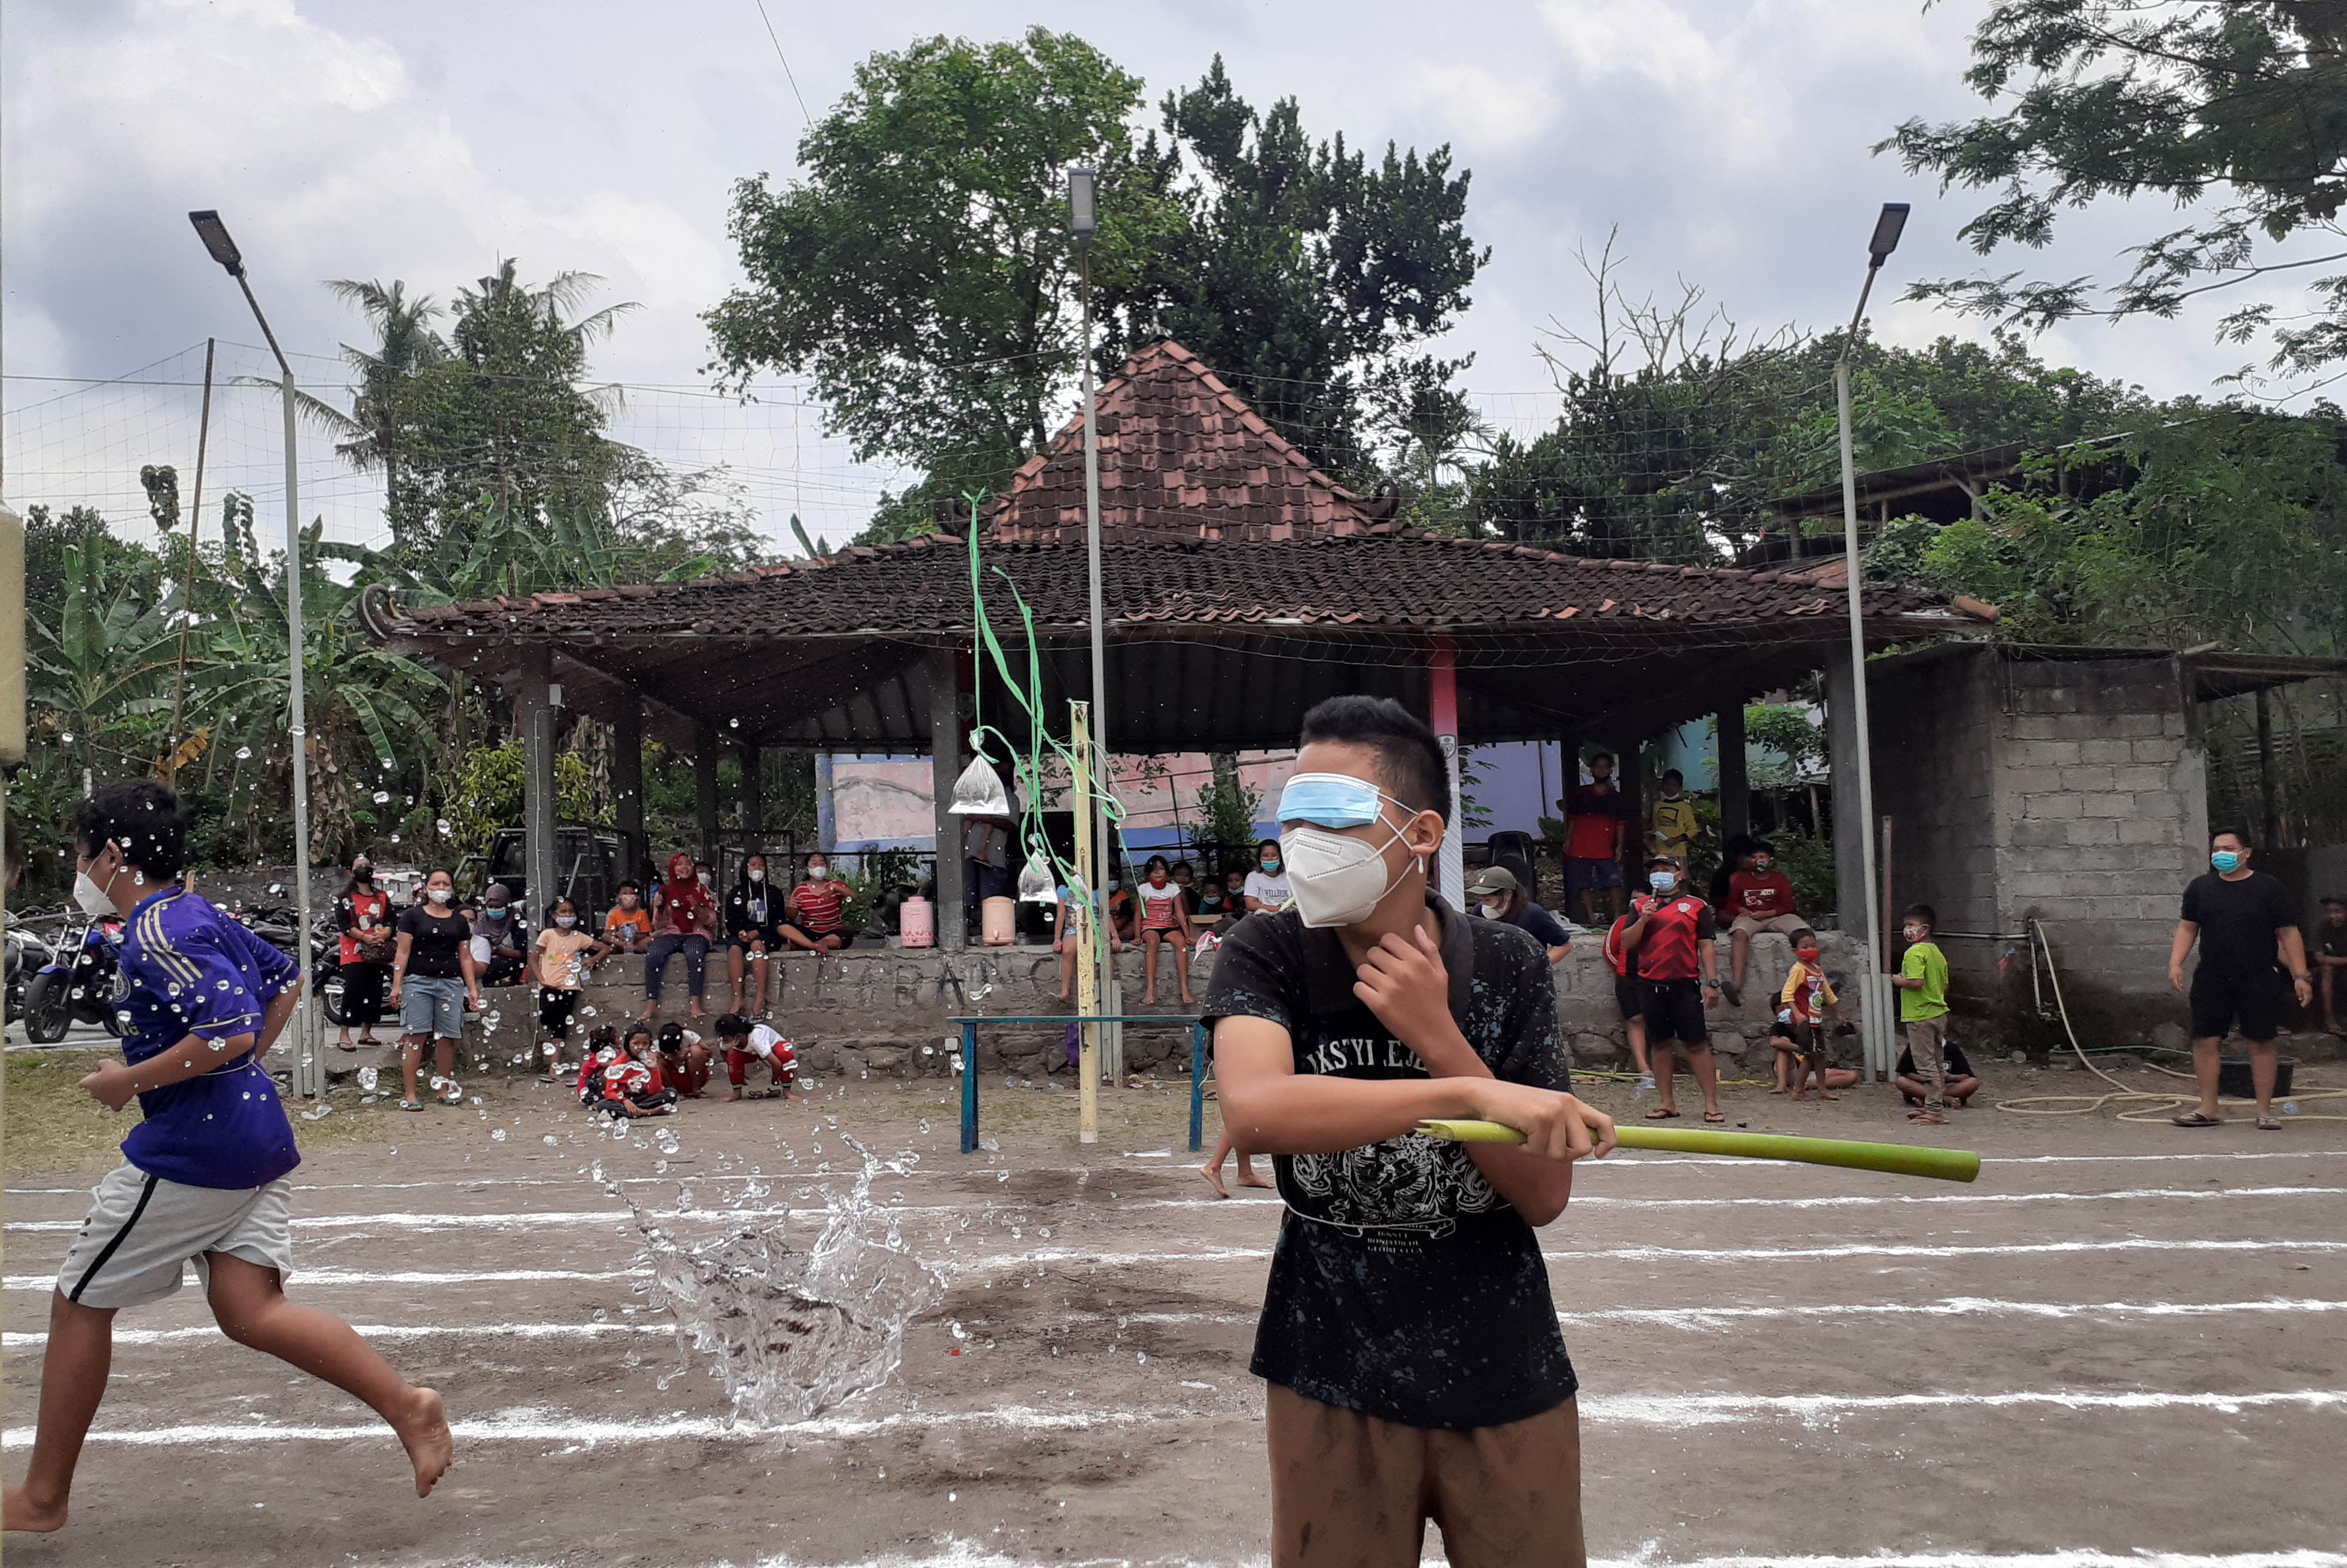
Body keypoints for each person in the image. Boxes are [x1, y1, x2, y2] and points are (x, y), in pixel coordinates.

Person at [1203, 695, 1614, 1567]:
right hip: (1328, 1361)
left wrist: (1439, 1038)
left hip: (1503, 1361)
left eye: (1334, 817)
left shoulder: (1505, 962)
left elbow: (1544, 1195)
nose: (1303, 841)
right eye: (1293, 818)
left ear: (1421, 832)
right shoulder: (1268, 950)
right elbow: (1257, 1110)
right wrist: (1472, 1093)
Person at [3, 782, 451, 1533]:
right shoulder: (195, 911)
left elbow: (229, 1033)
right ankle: (408, 1406)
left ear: (112, 856)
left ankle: (43, 1496)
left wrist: (128, 1082)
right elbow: (284, 983)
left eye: (82, 857)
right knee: (250, 1310)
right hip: (253, 1139)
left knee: (78, 1301)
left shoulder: (155, 932)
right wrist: (237, 1073)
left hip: (193, 1149)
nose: (80, 872)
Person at [2169, 829, 2314, 1131]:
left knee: (2261, 1041)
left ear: (2246, 853)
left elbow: (2289, 933)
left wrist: (2300, 975)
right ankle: (2208, 1108)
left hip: (2258, 975)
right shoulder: (2200, 888)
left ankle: (2264, 1111)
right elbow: (2188, 927)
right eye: (2217, 849)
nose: (2221, 854)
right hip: (2212, 976)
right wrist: (2176, 962)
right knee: (2206, 1040)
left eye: (2229, 848)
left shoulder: (2268, 887)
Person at [1621, 853, 1725, 1122]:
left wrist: (1712, 983)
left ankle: (1711, 1104)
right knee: (1659, 1043)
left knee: (1696, 1044)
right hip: (1650, 983)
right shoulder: (1640, 905)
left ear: (1679, 874)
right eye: (1655, 869)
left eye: (1666, 868)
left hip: (1684, 983)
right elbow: (1627, 942)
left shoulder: (1696, 906)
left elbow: (1706, 945)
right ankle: (1666, 1102)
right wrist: (1643, 919)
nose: (1660, 873)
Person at [390, 870, 481, 1111]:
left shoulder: (459, 921)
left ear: (452, 888)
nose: (441, 888)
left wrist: (472, 988)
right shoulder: (412, 916)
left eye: (446, 884)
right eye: (436, 883)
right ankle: (410, 1094)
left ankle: (444, 1089)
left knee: (448, 1037)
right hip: (417, 982)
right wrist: (397, 984)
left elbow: (465, 957)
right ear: (426, 887)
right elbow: (402, 952)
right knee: (416, 1036)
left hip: (451, 983)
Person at [1888, 904, 1952, 1123]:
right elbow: (1945, 986)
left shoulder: (1914, 952)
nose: (1907, 930)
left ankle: (1934, 1110)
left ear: (1925, 928)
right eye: (1906, 925)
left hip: (1919, 1015)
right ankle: (1933, 1105)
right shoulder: (1937, 953)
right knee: (1937, 1062)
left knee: (1925, 1064)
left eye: (1911, 925)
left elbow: (1916, 982)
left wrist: (1898, 981)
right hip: (1938, 1012)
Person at [1721, 839, 1802, 1006]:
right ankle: (1736, 986)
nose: (1758, 861)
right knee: (1739, 933)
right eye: (1754, 857)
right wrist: (1741, 910)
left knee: (1803, 933)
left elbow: (1788, 905)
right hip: (1751, 916)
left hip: (1777, 915)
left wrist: (1767, 913)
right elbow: (1731, 903)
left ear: (1770, 859)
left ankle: (1818, 982)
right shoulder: (1741, 879)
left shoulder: (1779, 879)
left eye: (1762, 857)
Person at [1770, 928, 1846, 1101]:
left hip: (1816, 1020)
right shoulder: (1798, 970)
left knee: (1819, 1056)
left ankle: (1822, 1089)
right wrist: (1797, 1014)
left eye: (1813, 945)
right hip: (1805, 1022)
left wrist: (1838, 1014)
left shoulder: (1817, 971)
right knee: (1810, 1056)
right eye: (1804, 947)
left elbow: (1828, 995)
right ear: (1795, 951)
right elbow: (1787, 994)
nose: (1810, 950)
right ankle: (1798, 1090)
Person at [534, 897, 607, 1072]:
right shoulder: (547, 935)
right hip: (548, 986)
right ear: (554, 915)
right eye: (563, 912)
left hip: (569, 988)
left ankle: (554, 1068)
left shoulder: (579, 937)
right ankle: (550, 1062)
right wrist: (541, 979)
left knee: (560, 1027)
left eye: (571, 912)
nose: (568, 915)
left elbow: (605, 948)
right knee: (547, 1018)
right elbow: (533, 959)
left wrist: (592, 960)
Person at [333, 855, 395, 1051]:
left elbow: (391, 920)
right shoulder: (345, 898)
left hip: (377, 951)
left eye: (366, 866)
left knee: (374, 991)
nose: (363, 869)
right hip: (353, 952)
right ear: (351, 873)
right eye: (359, 866)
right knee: (354, 991)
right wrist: (365, 938)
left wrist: (385, 933)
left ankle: (366, 1032)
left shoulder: (382, 897)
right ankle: (344, 1033)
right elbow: (344, 925)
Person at [1563, 751, 1632, 925]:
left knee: (1614, 882)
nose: (1601, 770)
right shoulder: (1581, 794)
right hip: (1580, 845)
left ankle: (1617, 916)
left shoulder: (1616, 798)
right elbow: (1572, 819)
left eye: (1605, 767)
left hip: (1606, 847)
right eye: (1598, 767)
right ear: (1592, 770)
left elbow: (1621, 824)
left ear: (1610, 771)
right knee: (1583, 884)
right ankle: (1591, 918)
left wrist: (1620, 845)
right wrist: (1568, 839)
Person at [645, 851, 715, 1018]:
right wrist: (659, 908)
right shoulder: (664, 892)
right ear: (673, 868)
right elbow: (658, 924)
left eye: (688, 864)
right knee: (654, 953)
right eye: (680, 864)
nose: (685, 867)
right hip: (671, 933)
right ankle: (651, 1004)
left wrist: (698, 908)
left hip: (697, 933)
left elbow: (711, 921)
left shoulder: (702, 891)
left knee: (695, 955)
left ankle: (695, 1004)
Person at [1466, 865, 1572, 964]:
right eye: (1481, 900)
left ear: (1508, 895)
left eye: (1488, 900)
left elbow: (1564, 945)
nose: (1484, 905)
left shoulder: (1533, 914)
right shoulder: (1478, 912)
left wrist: (1539, 967)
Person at [724, 854, 784, 1016]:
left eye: (761, 865)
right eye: (753, 865)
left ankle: (760, 997)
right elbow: (730, 920)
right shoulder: (736, 893)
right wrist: (740, 932)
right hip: (742, 934)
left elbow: (778, 920)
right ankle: (738, 997)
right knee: (734, 949)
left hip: (767, 934)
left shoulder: (774, 893)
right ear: (746, 868)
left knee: (758, 947)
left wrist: (757, 932)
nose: (757, 868)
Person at [1601, 905, 1653, 1087]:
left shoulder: (1663, 920)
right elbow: (1609, 951)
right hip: (1628, 979)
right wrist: (1623, 969)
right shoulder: (1622, 922)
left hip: (1658, 978)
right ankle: (1644, 1068)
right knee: (1635, 1020)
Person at [1136, 855, 1196, 1005]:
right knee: (1152, 942)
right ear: (1148, 874)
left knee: (1181, 942)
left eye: (1161, 869)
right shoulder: (1143, 889)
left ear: (1167, 872)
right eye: (1153, 870)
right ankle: (1150, 990)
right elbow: (1138, 915)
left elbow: (1180, 913)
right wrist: (1137, 936)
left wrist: (1188, 935)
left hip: (1168, 926)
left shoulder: (1173, 889)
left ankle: (1184, 988)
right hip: (1150, 927)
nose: (1157, 872)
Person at [715, 1012, 800, 1100]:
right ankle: (737, 1093)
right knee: (733, 1057)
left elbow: (777, 1065)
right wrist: (736, 1072)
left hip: (774, 1047)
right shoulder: (728, 1041)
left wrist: (775, 1079)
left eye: (725, 1038)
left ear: (738, 1037)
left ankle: (787, 1091)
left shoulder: (757, 1039)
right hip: (755, 1052)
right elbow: (724, 1054)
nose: (723, 1041)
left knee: (785, 1055)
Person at [779, 852, 849, 952]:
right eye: (815, 864)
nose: (819, 867)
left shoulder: (835, 885)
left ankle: (808, 945)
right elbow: (791, 917)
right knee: (781, 925)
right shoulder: (800, 890)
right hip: (809, 932)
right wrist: (791, 907)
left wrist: (839, 889)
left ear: (827, 867)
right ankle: (813, 945)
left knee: (846, 937)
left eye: (822, 864)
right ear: (807, 869)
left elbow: (855, 897)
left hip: (833, 932)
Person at [471, 883, 529, 988]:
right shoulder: (480, 920)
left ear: (507, 905)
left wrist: (500, 951)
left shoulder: (517, 920)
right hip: (483, 967)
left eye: (498, 907)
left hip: (510, 970)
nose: (494, 910)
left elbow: (525, 953)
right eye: (491, 906)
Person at [1898, 1036, 1978, 1107]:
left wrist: (1950, 1077)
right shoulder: (1914, 1046)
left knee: (1973, 1082)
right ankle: (1945, 1099)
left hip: (1946, 1087)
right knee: (1901, 1081)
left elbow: (1966, 1075)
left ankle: (1926, 1098)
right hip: (1923, 1085)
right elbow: (1906, 1074)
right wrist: (1925, 1078)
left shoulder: (1952, 1048)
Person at [1649, 767, 1699, 864]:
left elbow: (1693, 830)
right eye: (1667, 784)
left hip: (1678, 853)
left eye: (1674, 785)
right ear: (1662, 785)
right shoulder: (1657, 806)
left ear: (1680, 788)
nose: (1669, 788)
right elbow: (1655, 827)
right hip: (1660, 852)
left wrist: (1677, 839)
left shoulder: (1684, 807)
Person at [2315, 895, 2347, 1036]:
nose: (2333, 916)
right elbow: (2320, 958)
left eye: (2338, 911)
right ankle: (2329, 1020)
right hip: (2330, 971)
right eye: (2329, 912)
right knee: (2327, 969)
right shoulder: (2322, 927)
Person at [656, 1019, 713, 1098]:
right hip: (672, 1077)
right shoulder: (657, 1044)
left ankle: (697, 1089)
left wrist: (687, 1051)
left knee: (696, 1051)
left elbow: (709, 1052)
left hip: (691, 1075)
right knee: (655, 1059)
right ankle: (672, 1091)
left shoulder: (689, 1036)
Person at [602, 881, 653, 954]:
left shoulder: (641, 913)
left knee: (650, 939)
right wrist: (619, 937)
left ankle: (634, 948)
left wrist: (634, 938)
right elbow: (608, 933)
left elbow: (645, 933)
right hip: (620, 942)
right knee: (605, 936)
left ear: (637, 897)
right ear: (618, 897)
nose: (628, 897)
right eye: (625, 894)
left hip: (636, 942)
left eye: (632, 893)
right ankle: (625, 947)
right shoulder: (613, 914)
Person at [1241, 838, 1290, 914]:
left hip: (1288, 917)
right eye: (1265, 856)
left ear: (1280, 857)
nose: (1270, 859)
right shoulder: (1253, 877)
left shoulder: (1289, 876)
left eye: (1274, 855)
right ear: (1260, 858)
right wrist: (1278, 909)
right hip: (1262, 918)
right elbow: (1251, 904)